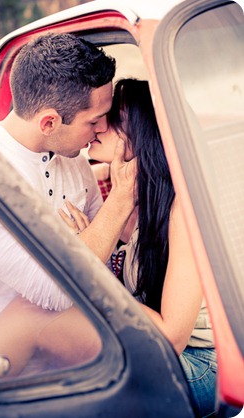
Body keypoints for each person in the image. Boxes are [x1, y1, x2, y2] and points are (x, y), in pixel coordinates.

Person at [0, 33, 136, 374]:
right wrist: (120, 199)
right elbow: (57, 292)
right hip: (8, 378)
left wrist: (89, 245)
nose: (103, 128)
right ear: (49, 122)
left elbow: (99, 262)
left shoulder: (69, 153)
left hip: (79, 358)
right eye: (94, 120)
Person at [61, 78, 217, 417]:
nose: (99, 125)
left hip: (200, 360)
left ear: (143, 137)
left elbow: (172, 338)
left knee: (89, 396)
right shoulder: (125, 191)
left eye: (114, 118)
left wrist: (96, 272)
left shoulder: (180, 211)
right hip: (155, 347)